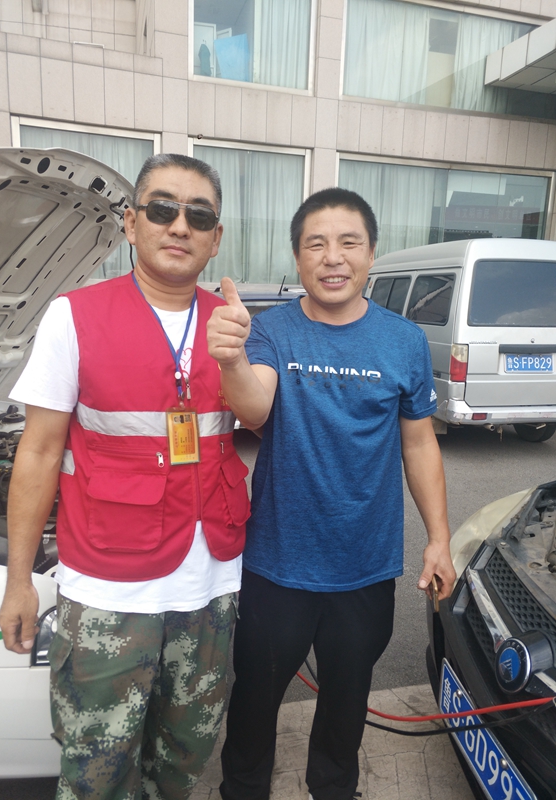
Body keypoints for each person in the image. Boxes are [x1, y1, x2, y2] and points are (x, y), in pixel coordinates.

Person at [0, 154, 250, 800]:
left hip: (209, 589)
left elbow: (257, 418)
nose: (180, 226)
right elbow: (38, 453)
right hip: (109, 590)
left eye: (199, 216)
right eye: (162, 209)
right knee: (97, 773)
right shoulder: (73, 316)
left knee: (183, 764)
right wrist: (19, 581)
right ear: (132, 224)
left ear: (216, 237)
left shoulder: (232, 326)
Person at [206, 187, 456, 800]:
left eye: (349, 243)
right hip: (277, 564)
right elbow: (255, 408)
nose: (333, 257)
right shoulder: (271, 332)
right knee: (255, 694)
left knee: (347, 699)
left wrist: (439, 539)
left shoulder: (403, 341)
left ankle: (335, 789)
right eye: (316, 244)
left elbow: (419, 444)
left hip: (365, 565)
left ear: (371, 253)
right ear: (297, 257)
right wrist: (232, 360)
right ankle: (242, 790)